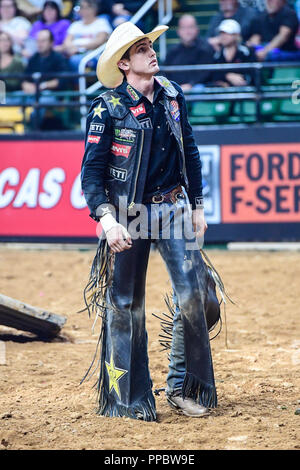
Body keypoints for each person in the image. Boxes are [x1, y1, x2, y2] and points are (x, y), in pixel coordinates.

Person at [81, 22, 220, 421]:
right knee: (126, 303)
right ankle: (129, 398)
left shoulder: (173, 96)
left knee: (197, 296)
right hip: (129, 213)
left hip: (175, 207)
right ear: (124, 64)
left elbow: (189, 151)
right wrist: (106, 219)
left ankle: (184, 386)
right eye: (141, 49)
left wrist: (197, 205)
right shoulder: (107, 108)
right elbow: (91, 174)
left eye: (150, 46)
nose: (151, 52)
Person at [21, 29, 70, 126]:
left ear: (51, 43)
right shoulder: (33, 58)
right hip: (33, 93)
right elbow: (24, 79)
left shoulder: (58, 58)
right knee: (15, 97)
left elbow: (63, 79)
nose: (40, 44)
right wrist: (26, 86)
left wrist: (42, 86)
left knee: (43, 101)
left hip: (52, 94)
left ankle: (32, 130)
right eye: (38, 41)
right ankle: (13, 130)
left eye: (43, 41)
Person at [164, 14, 214, 91]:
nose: (187, 31)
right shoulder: (172, 51)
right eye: (184, 27)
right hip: (175, 88)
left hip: (198, 87)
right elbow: (165, 73)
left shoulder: (206, 48)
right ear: (178, 31)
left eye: (190, 27)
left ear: (197, 30)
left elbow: (206, 73)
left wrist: (191, 85)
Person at [61, 0, 112, 70]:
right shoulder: (75, 25)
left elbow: (99, 41)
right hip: (73, 53)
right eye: (81, 7)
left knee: (75, 60)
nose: (82, 10)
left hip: (93, 55)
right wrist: (72, 48)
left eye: (85, 7)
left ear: (93, 9)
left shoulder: (101, 23)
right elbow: (67, 41)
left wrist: (79, 48)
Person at [213, 19, 257, 87]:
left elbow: (253, 74)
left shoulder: (247, 52)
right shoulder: (216, 54)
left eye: (227, 33)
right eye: (221, 33)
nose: (223, 36)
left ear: (236, 35)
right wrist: (227, 76)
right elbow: (213, 75)